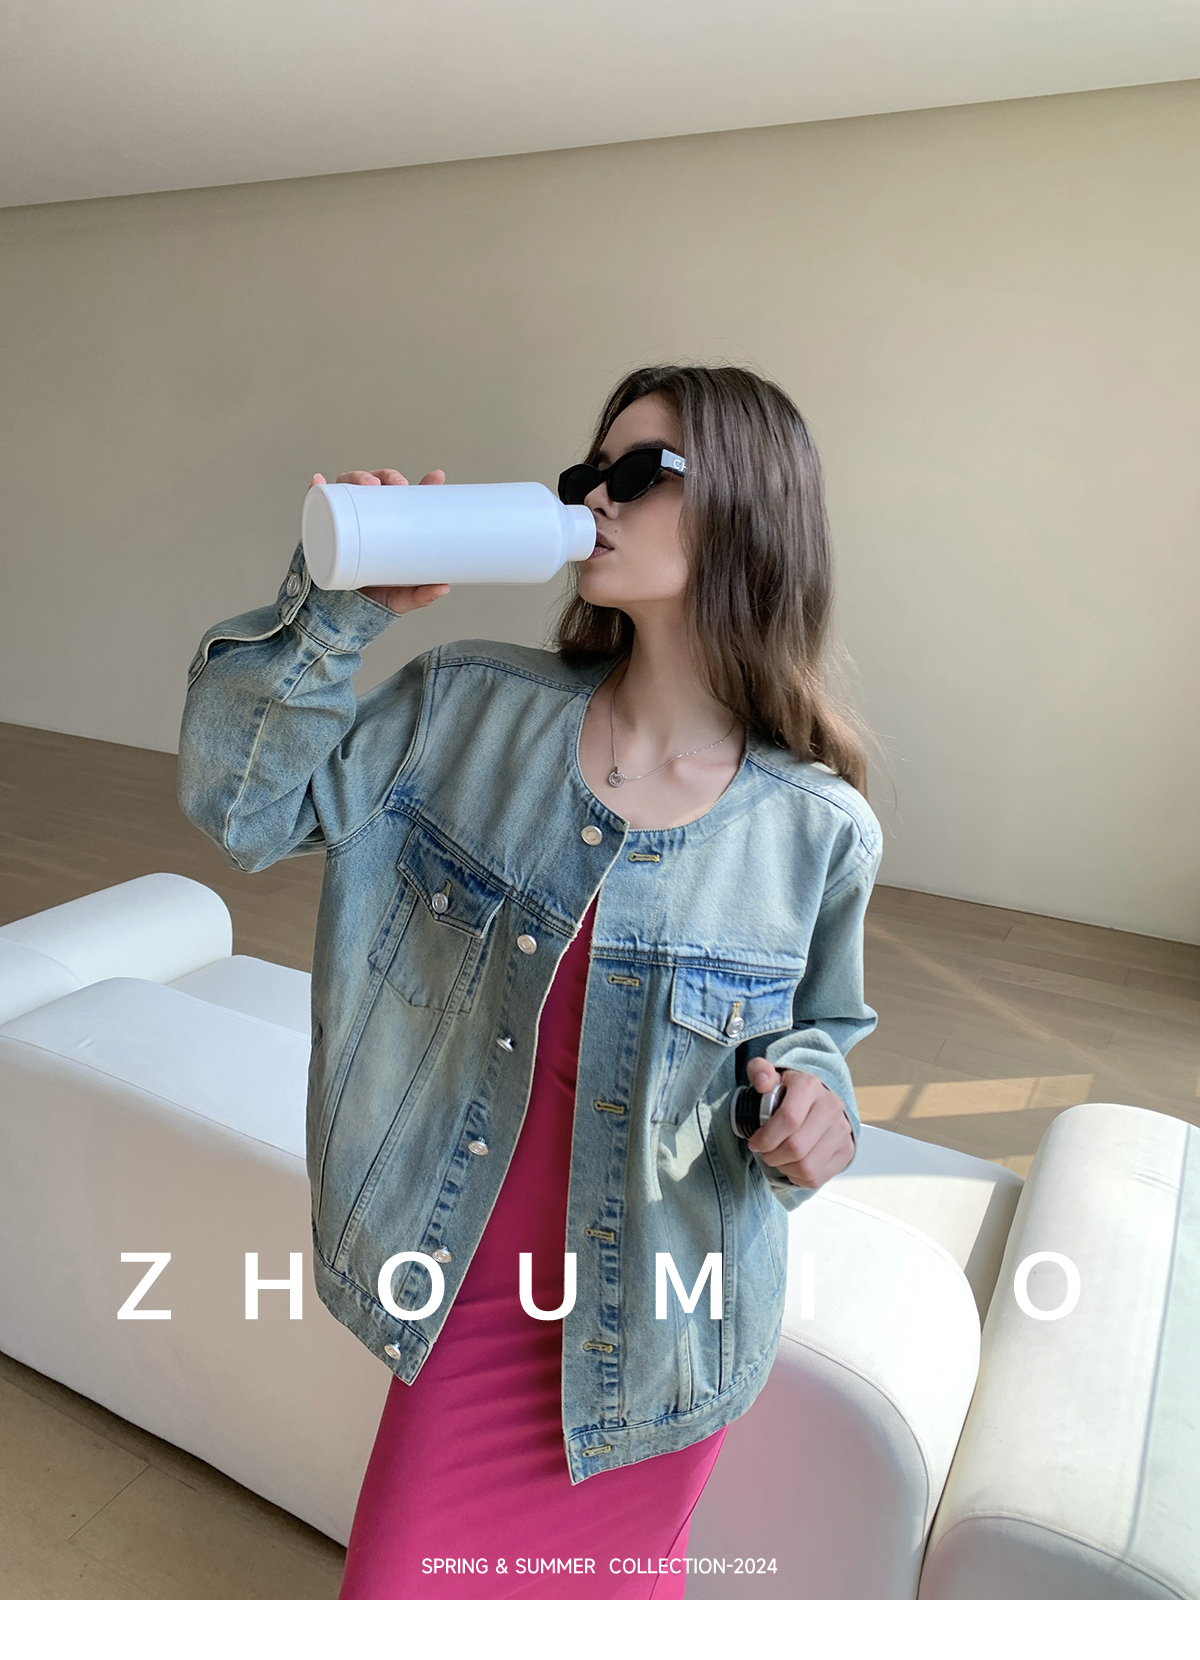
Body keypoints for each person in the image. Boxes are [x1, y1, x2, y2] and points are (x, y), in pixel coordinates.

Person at [177, 362, 881, 1600]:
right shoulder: (466, 708)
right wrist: (336, 615)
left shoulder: (817, 829)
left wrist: (814, 1114)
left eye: (637, 472)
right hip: (462, 1297)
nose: (593, 498)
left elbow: (817, 1035)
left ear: (753, 509)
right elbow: (245, 809)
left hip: (663, 1332)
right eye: (586, 473)